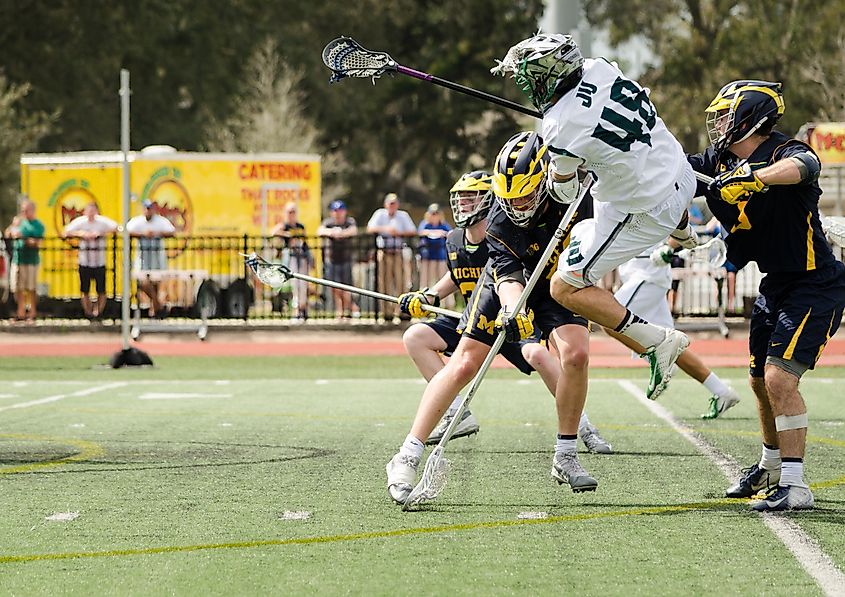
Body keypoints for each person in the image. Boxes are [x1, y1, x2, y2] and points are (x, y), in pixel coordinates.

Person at [386, 133, 600, 503]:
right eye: (509, 196)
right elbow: (506, 276)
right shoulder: (499, 221)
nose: (517, 205)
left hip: (559, 281)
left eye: (526, 196)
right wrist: (511, 309)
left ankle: (565, 454)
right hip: (509, 284)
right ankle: (407, 454)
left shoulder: (578, 197)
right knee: (465, 363)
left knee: (577, 355)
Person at [492, 33, 698, 401]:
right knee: (598, 207)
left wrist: (566, 149)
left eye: (533, 79)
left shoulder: (559, 127)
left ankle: (656, 340)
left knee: (565, 286)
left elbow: (565, 192)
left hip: (646, 208)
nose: (529, 87)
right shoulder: (599, 68)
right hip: (679, 171)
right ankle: (684, 233)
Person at [688, 80, 845, 511]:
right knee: (758, 381)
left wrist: (753, 178)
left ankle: (795, 486)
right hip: (775, 282)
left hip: (816, 281)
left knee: (779, 377)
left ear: (749, 115)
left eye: (724, 116)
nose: (717, 125)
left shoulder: (783, 151)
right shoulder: (716, 159)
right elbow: (673, 170)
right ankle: (771, 465)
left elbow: (806, 165)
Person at [397, 169, 611, 450]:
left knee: (538, 354)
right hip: (476, 317)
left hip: (511, 312)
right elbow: (456, 274)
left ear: (489, 200)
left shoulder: (502, 235)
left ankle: (581, 425)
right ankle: (456, 414)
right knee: (415, 337)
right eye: (460, 198)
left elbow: (513, 277)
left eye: (471, 198)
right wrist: (430, 296)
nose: (463, 204)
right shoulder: (453, 240)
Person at [616, 240, 742, 418]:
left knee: (608, 318)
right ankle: (722, 391)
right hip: (642, 276)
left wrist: (669, 246)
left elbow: (678, 223)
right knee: (673, 346)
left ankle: (657, 360)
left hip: (647, 276)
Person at [62, 202, 118, 319]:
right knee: (85, 289)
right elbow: (66, 232)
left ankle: (98, 312)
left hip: (99, 261)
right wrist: (82, 234)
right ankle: (88, 312)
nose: (91, 213)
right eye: (89, 210)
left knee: (101, 289)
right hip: (85, 261)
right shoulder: (80, 222)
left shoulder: (102, 222)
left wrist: (101, 234)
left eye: (93, 211)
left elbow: (117, 228)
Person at [366, 193, 416, 321]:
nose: (392, 206)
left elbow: (413, 231)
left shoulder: (403, 216)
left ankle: (402, 311)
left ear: (398, 205)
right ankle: (386, 312)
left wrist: (398, 233)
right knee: (384, 283)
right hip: (384, 252)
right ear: (385, 204)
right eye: (390, 203)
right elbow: (370, 228)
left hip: (398, 252)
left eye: (394, 203)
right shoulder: (380, 214)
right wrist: (386, 229)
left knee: (401, 282)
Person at [126, 199, 176, 318]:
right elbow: (126, 231)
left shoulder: (160, 221)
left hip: (156, 256)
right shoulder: (137, 221)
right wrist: (143, 234)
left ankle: (154, 309)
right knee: (143, 282)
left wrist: (156, 233)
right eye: (146, 208)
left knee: (155, 283)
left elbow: (172, 232)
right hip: (142, 256)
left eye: (150, 208)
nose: (148, 211)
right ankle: (157, 304)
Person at [317, 199, 359, 318]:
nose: (338, 213)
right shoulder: (328, 223)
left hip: (345, 259)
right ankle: (342, 308)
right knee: (335, 287)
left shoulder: (349, 222)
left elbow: (353, 230)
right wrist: (332, 232)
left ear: (344, 211)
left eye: (340, 210)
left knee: (346, 286)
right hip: (332, 260)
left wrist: (341, 233)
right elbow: (320, 230)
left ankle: (347, 309)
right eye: (335, 211)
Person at [5, 199, 44, 322]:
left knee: (31, 288)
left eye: (26, 210)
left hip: (31, 261)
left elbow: (37, 243)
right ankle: (20, 313)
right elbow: (7, 234)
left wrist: (24, 238)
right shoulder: (19, 223)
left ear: (32, 210)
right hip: (18, 259)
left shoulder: (38, 225)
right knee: (18, 288)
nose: (23, 212)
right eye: (22, 210)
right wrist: (12, 227)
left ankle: (32, 313)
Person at [272, 202, 312, 320]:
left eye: (293, 212)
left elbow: (305, 243)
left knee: (303, 285)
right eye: (289, 212)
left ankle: (303, 310)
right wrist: (287, 235)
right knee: (295, 286)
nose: (291, 214)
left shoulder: (300, 226)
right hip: (291, 258)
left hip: (302, 257)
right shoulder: (285, 226)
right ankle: (296, 311)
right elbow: (274, 232)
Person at [416, 203, 451, 303]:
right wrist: (429, 232)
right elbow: (420, 232)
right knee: (426, 281)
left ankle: (446, 304)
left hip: (440, 256)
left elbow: (450, 233)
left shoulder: (444, 225)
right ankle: (422, 302)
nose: (434, 215)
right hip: (427, 255)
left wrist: (442, 233)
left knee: (442, 279)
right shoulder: (425, 224)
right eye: (432, 213)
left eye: (436, 213)